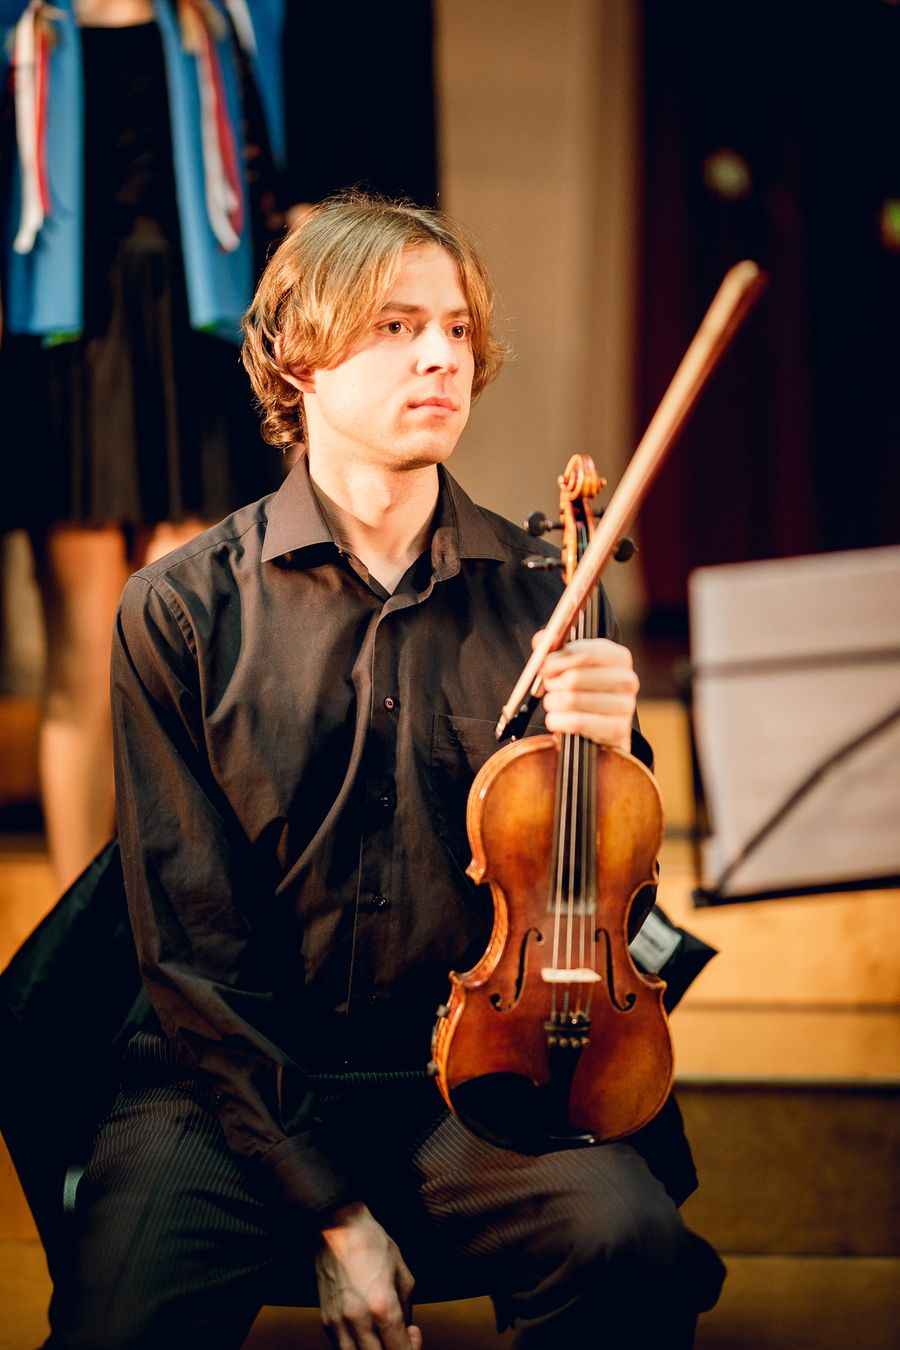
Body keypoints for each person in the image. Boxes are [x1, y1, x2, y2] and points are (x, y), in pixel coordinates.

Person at [46, 196, 725, 1348]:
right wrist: (332, 1210)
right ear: (297, 360)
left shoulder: (548, 596)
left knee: (633, 1248)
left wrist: (613, 752)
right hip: (228, 1093)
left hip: (464, 1084)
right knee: (118, 1318)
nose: (442, 356)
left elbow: (603, 905)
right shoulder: (182, 610)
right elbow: (192, 951)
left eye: (457, 329)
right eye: (397, 327)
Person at [0, 0, 286, 890]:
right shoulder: (23, 28)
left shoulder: (221, 24)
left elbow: (273, 185)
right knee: (85, 652)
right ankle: (70, 929)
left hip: (195, 346)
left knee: (184, 653)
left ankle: (177, 922)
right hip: (68, 351)